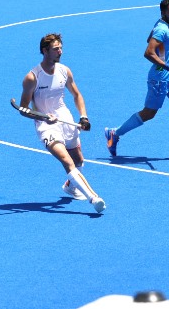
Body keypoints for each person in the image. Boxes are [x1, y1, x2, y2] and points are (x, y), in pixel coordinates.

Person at [104, 0, 169, 159]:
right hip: (160, 79)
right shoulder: (162, 29)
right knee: (149, 113)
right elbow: (148, 52)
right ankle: (114, 133)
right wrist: (168, 66)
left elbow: (151, 40)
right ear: (163, 13)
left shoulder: (163, 24)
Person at [18, 33, 106, 213]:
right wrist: (43, 117)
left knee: (79, 159)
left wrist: (83, 117)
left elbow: (77, 95)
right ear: (45, 51)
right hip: (46, 125)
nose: (60, 52)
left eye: (60, 48)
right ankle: (94, 198)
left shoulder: (64, 71)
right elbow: (23, 109)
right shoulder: (32, 77)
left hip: (66, 119)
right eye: (56, 49)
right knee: (67, 161)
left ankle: (70, 187)